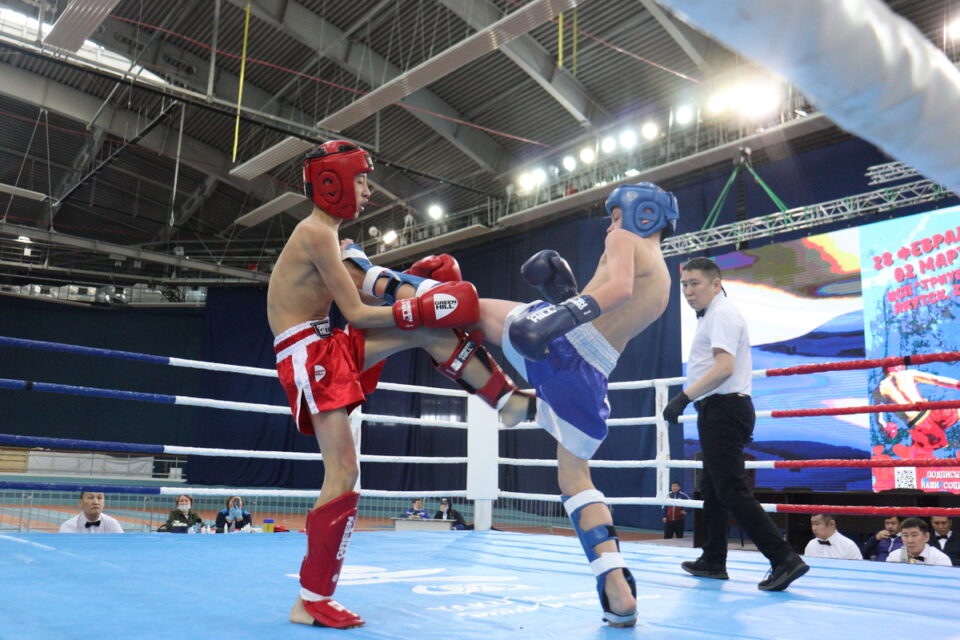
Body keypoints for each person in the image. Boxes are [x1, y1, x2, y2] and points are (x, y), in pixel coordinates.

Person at [347, 181, 676, 626]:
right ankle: (616, 589)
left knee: (466, 304)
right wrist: (568, 295)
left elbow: (615, 290)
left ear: (642, 215)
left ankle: (365, 274)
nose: (610, 225)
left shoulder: (626, 239)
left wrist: (557, 316)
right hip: (591, 384)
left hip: (564, 347)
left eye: (616, 214)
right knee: (576, 480)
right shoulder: (664, 282)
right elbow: (613, 315)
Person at [268, 140, 531, 630]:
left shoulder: (336, 241)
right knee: (343, 472)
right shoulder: (315, 234)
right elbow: (359, 313)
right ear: (334, 183)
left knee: (432, 332)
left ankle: (508, 401)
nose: (368, 190)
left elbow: (367, 294)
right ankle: (310, 599)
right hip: (309, 351)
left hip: (326, 343)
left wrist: (422, 296)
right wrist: (422, 303)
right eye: (361, 180)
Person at [662, 257, 809, 591]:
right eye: (684, 285)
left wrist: (683, 397)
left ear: (716, 283)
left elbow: (725, 366)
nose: (688, 291)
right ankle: (713, 559)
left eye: (695, 283)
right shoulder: (713, 315)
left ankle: (783, 557)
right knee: (713, 489)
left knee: (730, 488)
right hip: (718, 409)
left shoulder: (723, 314)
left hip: (725, 408)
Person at [875, 365, 960, 456]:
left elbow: (878, 418)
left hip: (918, 426)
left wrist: (885, 427)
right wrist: (957, 384)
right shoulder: (906, 374)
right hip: (930, 412)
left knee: (938, 456)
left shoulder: (879, 389)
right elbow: (935, 379)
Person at [885, 517, 952, 566]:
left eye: (914, 535)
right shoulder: (894, 556)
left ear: (926, 537)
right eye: (905, 535)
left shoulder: (940, 559)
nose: (909, 540)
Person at [59, 491, 123, 533]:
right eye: (90, 498)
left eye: (99, 498)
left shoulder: (113, 524)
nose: (95, 502)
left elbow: (122, 546)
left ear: (104, 503)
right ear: (81, 502)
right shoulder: (69, 526)